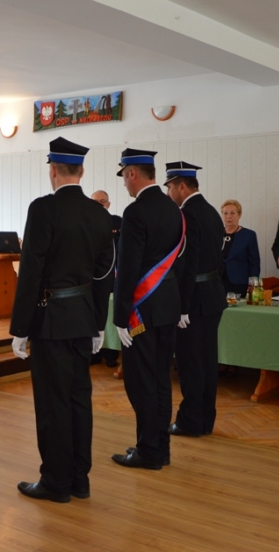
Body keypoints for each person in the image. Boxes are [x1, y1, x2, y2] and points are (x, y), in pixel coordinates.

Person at [11, 137, 114, 503]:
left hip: (50, 319)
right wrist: (99, 322)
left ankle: (56, 482)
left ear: (53, 170)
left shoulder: (43, 209)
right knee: (78, 399)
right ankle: (79, 480)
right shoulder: (99, 213)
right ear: (81, 171)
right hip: (83, 318)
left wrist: (20, 328)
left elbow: (31, 271)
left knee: (53, 403)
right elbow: (105, 274)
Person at [110, 149, 183, 470]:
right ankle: (159, 447)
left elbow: (127, 268)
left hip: (142, 311)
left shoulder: (136, 212)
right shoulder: (174, 208)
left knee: (140, 383)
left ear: (132, 174)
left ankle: (149, 451)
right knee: (161, 380)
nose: (125, 184)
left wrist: (120, 316)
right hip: (167, 307)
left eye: (124, 177)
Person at [164, 162, 227, 438]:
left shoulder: (187, 215)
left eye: (169, 187)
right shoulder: (211, 211)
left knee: (190, 363)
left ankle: (190, 421)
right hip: (212, 295)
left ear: (181, 186)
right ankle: (204, 420)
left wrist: (183, 305)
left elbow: (187, 265)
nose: (168, 194)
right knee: (207, 362)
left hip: (194, 299)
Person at [90, 189, 121, 367]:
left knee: (110, 316)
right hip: (93, 279)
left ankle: (111, 354)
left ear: (108, 204)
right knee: (94, 314)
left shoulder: (118, 222)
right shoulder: (85, 223)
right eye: (95, 202)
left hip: (114, 278)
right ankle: (94, 353)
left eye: (103, 202)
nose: (100, 205)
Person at [219, 199, 260, 297]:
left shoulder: (249, 235)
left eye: (232, 213)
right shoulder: (216, 234)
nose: (228, 216)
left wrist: (253, 285)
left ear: (239, 215)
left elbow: (254, 262)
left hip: (239, 282)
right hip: (218, 282)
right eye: (225, 213)